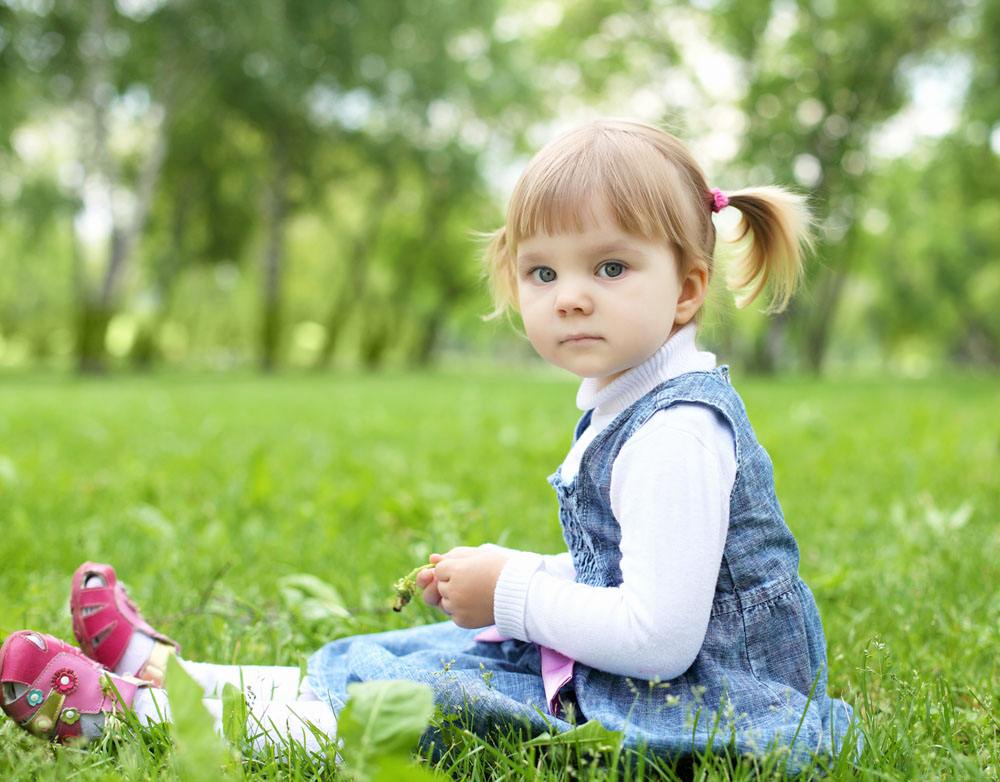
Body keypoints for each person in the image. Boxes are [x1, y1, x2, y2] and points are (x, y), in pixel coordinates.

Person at [1, 118, 859, 769]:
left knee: (431, 706)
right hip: (651, 673)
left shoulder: (676, 432)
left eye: (609, 268)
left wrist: (515, 592)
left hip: (702, 701)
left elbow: (663, 636)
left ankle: (134, 715)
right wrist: (514, 570)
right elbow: (632, 573)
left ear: (687, 290)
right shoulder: (630, 396)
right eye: (543, 272)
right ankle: (163, 672)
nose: (569, 298)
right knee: (418, 657)